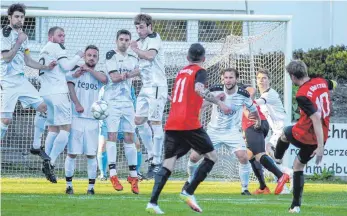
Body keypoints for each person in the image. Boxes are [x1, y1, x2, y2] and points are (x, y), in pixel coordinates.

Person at [146, 43, 230, 214]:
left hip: (172, 123)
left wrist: (212, 97)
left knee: (169, 162)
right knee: (212, 157)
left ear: (187, 57)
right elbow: (199, 90)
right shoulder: (200, 71)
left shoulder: (181, 73)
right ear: (204, 59)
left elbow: (192, 100)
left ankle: (152, 203)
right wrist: (219, 102)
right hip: (189, 124)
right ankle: (188, 191)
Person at [185, 68, 262, 195]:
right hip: (213, 131)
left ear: (236, 79)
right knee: (194, 156)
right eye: (225, 78)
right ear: (222, 79)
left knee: (243, 157)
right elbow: (201, 105)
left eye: (231, 77)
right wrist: (216, 100)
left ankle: (244, 189)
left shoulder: (243, 94)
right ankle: (189, 180)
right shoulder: (215, 90)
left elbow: (253, 109)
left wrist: (258, 120)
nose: (228, 80)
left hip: (232, 132)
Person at [274, 60, 337, 213]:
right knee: (298, 166)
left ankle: (277, 159)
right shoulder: (322, 81)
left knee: (284, 134)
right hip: (322, 135)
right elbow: (333, 84)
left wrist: (321, 148)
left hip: (305, 133)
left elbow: (315, 117)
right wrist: (321, 145)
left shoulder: (302, 94)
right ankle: (295, 206)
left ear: (293, 76)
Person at [1, 3, 55, 147]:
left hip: (21, 80)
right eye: (16, 17)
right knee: (5, 120)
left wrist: (46, 67)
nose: (20, 19)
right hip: (7, 80)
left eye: (22, 17)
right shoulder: (5, 33)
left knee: (43, 107)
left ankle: (36, 145)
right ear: (9, 18)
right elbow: (6, 57)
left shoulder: (23, 36)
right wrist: (19, 41)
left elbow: (28, 60)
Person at [39, 26, 84, 183]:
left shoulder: (44, 49)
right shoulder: (57, 47)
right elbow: (66, 66)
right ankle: (50, 162)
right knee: (66, 128)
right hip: (58, 93)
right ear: (51, 37)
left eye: (64, 35)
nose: (63, 38)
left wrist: (73, 74)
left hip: (45, 93)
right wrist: (78, 56)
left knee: (53, 128)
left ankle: (46, 158)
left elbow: (59, 72)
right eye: (60, 35)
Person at [64, 45, 107, 195]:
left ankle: (91, 188)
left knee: (91, 154)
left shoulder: (98, 74)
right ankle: (69, 185)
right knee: (72, 153)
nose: (91, 58)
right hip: (76, 117)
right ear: (84, 57)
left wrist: (89, 70)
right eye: (89, 55)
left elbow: (105, 79)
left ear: (98, 58)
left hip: (93, 120)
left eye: (94, 56)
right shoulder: (76, 72)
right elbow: (69, 85)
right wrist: (77, 104)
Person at [131, 14, 168, 178]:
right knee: (138, 121)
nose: (139, 30)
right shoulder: (138, 43)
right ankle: (153, 155)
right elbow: (142, 66)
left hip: (157, 86)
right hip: (146, 87)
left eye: (142, 27)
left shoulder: (154, 38)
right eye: (137, 27)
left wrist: (135, 49)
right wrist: (127, 75)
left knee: (155, 122)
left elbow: (150, 56)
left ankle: (157, 162)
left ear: (150, 26)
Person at [104, 29, 140, 194]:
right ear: (116, 40)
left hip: (128, 102)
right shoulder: (111, 55)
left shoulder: (133, 58)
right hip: (112, 102)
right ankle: (112, 174)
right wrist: (129, 74)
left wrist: (126, 74)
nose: (124, 42)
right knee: (111, 135)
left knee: (129, 137)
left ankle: (133, 176)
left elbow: (141, 72)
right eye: (122, 39)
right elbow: (114, 78)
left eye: (127, 40)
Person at [242, 86, 290, 195]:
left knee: (259, 155)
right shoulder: (232, 94)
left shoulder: (239, 90)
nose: (226, 80)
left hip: (254, 124)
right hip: (259, 124)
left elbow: (252, 90)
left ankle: (281, 175)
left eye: (229, 77)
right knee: (250, 155)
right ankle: (263, 187)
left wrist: (244, 103)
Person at [255, 68, 293, 193]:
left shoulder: (269, 94)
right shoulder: (263, 94)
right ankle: (286, 179)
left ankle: (288, 174)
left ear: (269, 80)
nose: (261, 80)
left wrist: (243, 100)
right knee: (269, 154)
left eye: (264, 78)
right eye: (259, 78)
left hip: (283, 129)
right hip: (277, 130)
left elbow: (256, 103)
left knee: (268, 153)